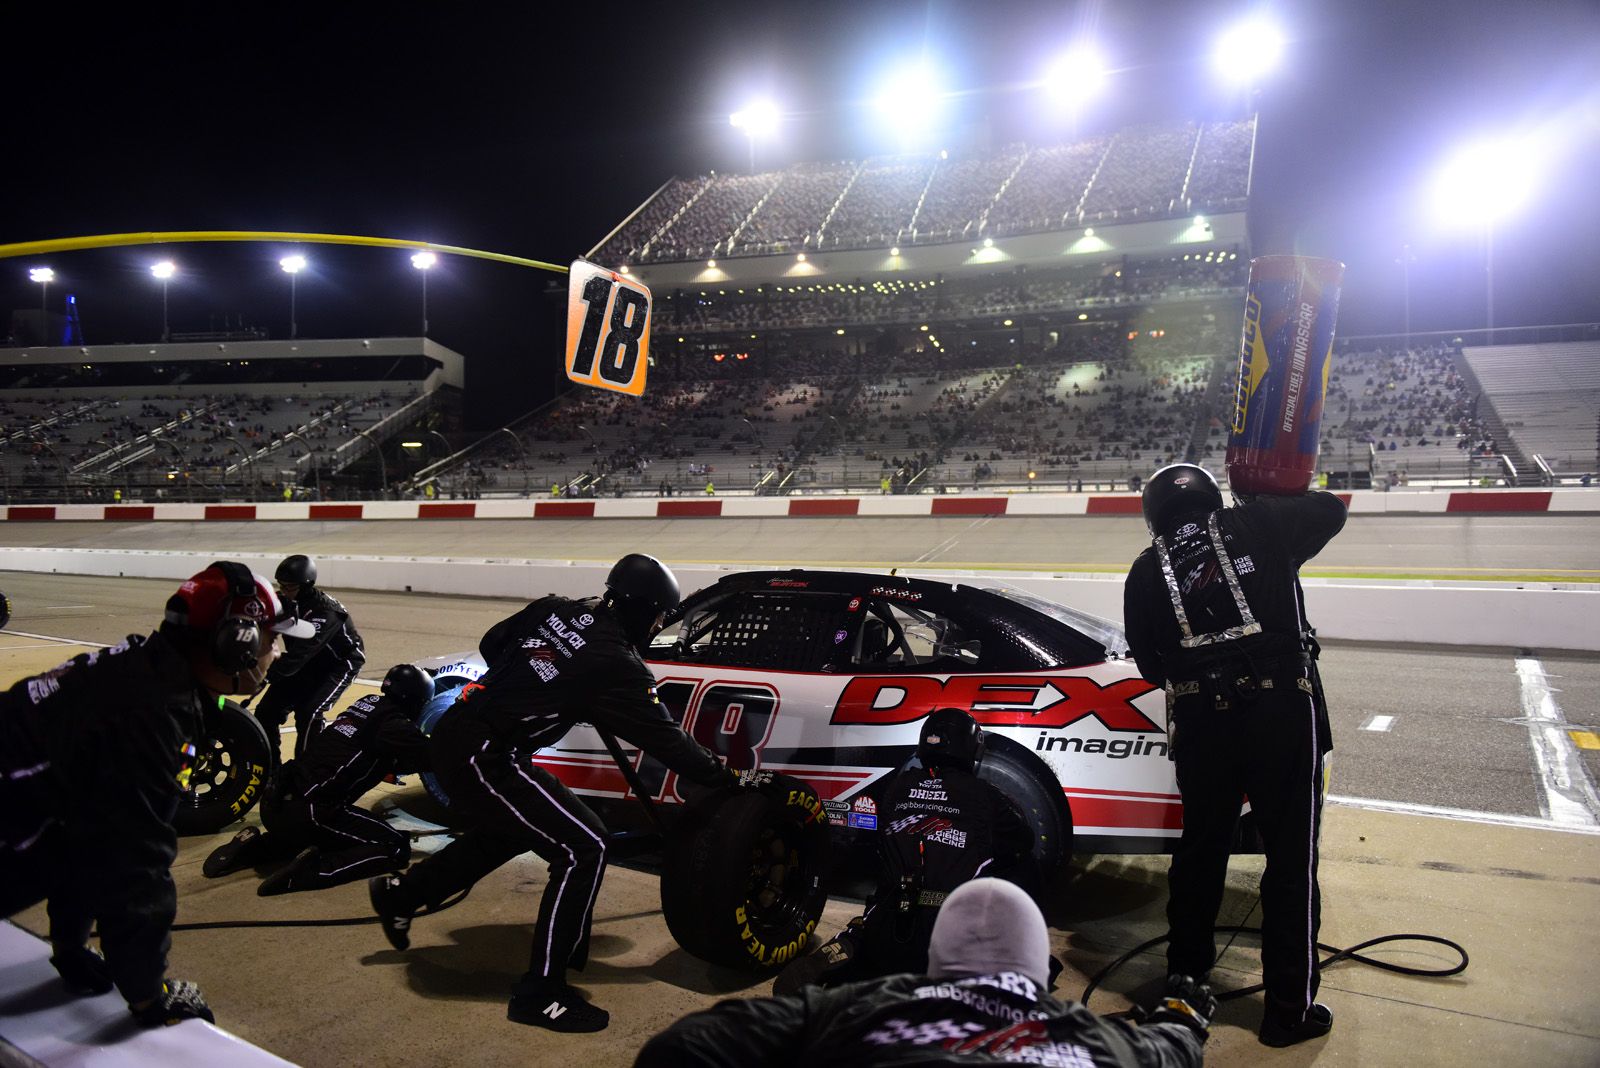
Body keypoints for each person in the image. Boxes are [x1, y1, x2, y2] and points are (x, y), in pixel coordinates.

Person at [368, 553, 738, 1033]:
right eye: (661, 617)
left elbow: (493, 642)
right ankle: (540, 993)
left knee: (507, 832)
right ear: (650, 613)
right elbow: (667, 742)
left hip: (462, 733)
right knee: (585, 846)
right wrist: (724, 777)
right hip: (486, 754)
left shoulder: (556, 609)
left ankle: (402, 896)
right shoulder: (619, 664)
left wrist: (540, 685)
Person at [0, 561, 313, 1027]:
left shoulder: (144, 669)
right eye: (272, 638)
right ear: (236, 644)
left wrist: (70, 947)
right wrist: (151, 997)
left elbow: (82, 826)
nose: (278, 653)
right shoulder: (149, 722)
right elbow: (136, 868)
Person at [1121, 463, 1346, 1048]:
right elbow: (1332, 510)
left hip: (1200, 721)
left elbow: (1149, 666)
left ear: (1153, 515)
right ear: (1213, 497)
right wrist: (1268, 491)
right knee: (1291, 860)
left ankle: (1185, 992)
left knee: (1199, 856)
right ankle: (1288, 1012)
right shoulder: (1259, 522)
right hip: (1280, 712)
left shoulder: (1145, 570)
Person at [636, 878, 1211, 1068]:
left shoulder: (859, 1008)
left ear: (938, 963)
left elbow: (684, 1046)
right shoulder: (1105, 1042)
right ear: (1039, 970)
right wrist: (1183, 1008)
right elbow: (1177, 1044)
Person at [778, 709, 1033, 993]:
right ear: (973, 750)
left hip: (889, 920)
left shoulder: (896, 787)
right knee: (1023, 865)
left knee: (889, 873)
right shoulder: (987, 795)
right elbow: (1024, 840)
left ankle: (852, 941)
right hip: (946, 938)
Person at [202, 663, 436, 896]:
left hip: (277, 801)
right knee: (394, 846)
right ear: (414, 701)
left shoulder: (366, 704)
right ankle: (313, 871)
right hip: (310, 811)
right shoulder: (395, 726)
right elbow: (434, 757)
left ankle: (252, 849)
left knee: (331, 835)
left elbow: (372, 750)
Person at [253, 554, 366, 760]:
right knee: (266, 712)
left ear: (305, 586)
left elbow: (299, 655)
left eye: (290, 587)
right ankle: (270, 769)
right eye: (281, 585)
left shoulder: (325, 612)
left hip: (339, 664)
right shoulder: (286, 601)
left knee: (309, 713)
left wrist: (266, 675)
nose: (284, 592)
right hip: (308, 661)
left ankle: (305, 773)